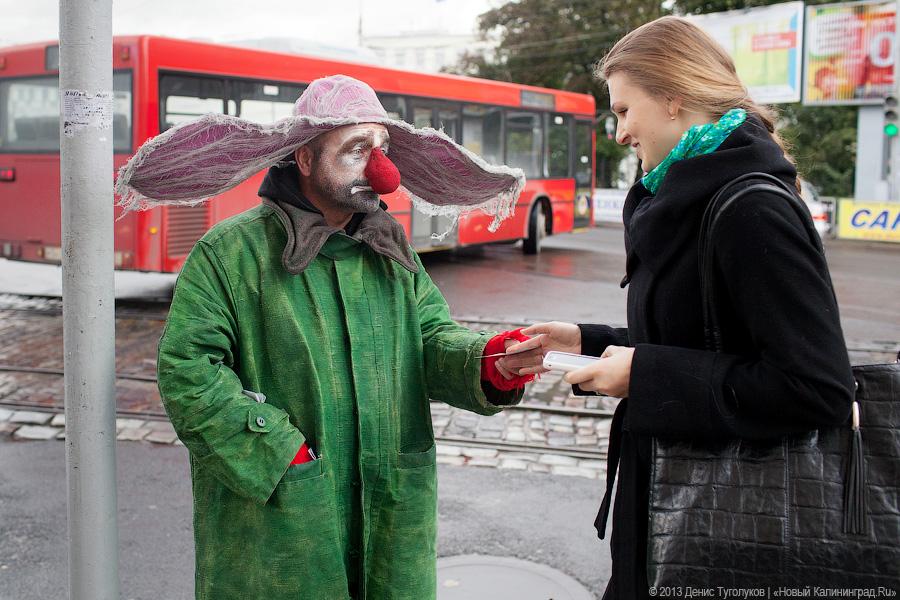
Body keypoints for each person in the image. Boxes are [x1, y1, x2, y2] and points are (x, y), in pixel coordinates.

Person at [116, 74, 540, 600]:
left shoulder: (390, 248)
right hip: (281, 527)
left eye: (381, 149)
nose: (382, 171)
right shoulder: (230, 253)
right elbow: (188, 372)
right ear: (306, 158)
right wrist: (279, 452)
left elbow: (429, 334)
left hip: (392, 514)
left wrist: (487, 360)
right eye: (356, 149)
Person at [500, 16, 854, 599]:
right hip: (671, 499)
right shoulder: (684, 196)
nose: (617, 133)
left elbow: (818, 387)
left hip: (730, 525)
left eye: (621, 110)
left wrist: (643, 374)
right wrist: (581, 341)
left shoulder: (749, 208)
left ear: (673, 99)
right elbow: (701, 341)